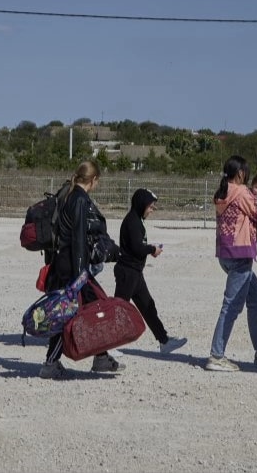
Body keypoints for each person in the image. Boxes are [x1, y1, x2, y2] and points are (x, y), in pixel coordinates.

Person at [39, 160, 125, 379]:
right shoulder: (79, 199)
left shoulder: (71, 195)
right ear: (94, 180)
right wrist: (80, 275)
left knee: (93, 307)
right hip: (73, 268)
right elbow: (78, 237)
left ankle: (101, 357)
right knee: (69, 313)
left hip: (69, 264)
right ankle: (51, 363)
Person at [205, 155, 257, 371]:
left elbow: (243, 217)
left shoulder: (221, 192)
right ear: (241, 173)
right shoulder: (240, 192)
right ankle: (216, 355)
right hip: (240, 254)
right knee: (231, 305)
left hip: (225, 253)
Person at [115, 188, 187, 355]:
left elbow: (139, 246)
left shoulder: (137, 220)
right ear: (141, 205)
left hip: (135, 273)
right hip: (127, 272)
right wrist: (152, 249)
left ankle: (164, 341)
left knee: (148, 306)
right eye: (150, 206)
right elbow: (137, 248)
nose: (152, 209)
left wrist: (150, 249)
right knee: (118, 310)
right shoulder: (132, 221)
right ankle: (106, 347)